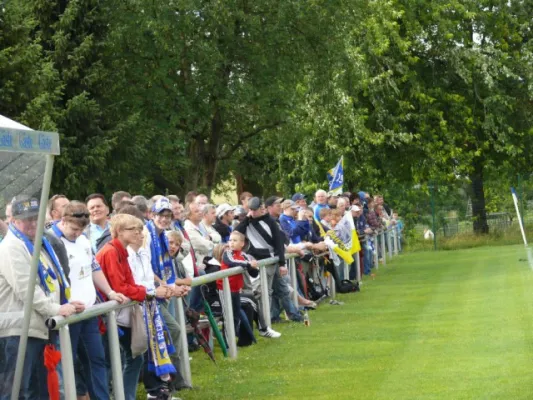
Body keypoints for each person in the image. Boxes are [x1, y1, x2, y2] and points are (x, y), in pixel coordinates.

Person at [0, 198, 84, 400]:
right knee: (16, 392)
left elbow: (48, 282)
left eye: (35, 218)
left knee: (37, 390)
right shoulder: (12, 246)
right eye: (25, 219)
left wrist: (64, 303)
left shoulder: (36, 242)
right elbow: (27, 291)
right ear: (13, 220)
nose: (31, 223)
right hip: (17, 330)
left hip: (34, 327)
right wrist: (56, 309)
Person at [49, 201, 127, 400]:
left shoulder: (83, 239)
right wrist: (62, 304)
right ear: (63, 220)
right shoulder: (49, 241)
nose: (77, 233)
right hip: (68, 315)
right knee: (66, 364)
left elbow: (93, 268)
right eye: (74, 229)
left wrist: (109, 292)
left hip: (89, 312)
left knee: (97, 359)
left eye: (81, 229)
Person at [96, 214, 171, 400]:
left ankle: (125, 396)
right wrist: (147, 293)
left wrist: (144, 291)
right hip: (106, 314)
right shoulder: (111, 251)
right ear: (119, 231)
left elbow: (129, 282)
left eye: (139, 229)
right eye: (133, 229)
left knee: (133, 356)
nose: (139, 233)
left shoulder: (122, 250)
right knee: (111, 361)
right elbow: (119, 287)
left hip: (117, 312)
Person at [216, 232, 259, 340]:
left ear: (242, 244)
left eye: (235, 240)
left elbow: (254, 273)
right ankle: (227, 344)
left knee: (235, 316)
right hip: (224, 289)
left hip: (236, 290)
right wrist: (248, 264)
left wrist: (253, 267)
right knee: (228, 316)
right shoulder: (227, 253)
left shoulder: (243, 255)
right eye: (230, 240)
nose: (231, 243)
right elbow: (230, 262)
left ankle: (233, 339)